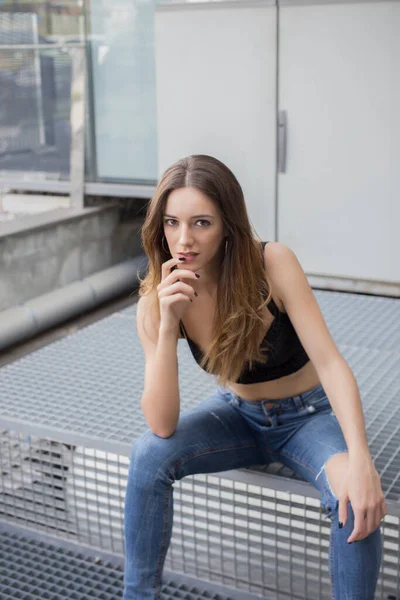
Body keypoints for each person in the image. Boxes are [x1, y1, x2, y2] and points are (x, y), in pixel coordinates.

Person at [123, 154, 387, 600]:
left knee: (352, 501)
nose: (183, 240)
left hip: (308, 416)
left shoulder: (272, 264)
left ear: (228, 223)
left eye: (201, 223)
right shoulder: (158, 298)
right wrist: (168, 325)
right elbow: (162, 425)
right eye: (171, 223)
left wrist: (361, 458)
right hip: (238, 415)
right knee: (147, 455)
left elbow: (330, 363)